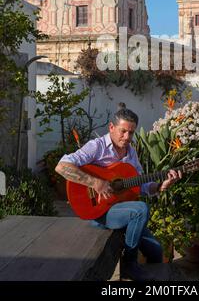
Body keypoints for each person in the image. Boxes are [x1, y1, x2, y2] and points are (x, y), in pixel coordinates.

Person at [55, 105, 182, 281]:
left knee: (156, 251)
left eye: (131, 133)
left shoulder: (131, 152)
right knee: (141, 209)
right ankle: (130, 265)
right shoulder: (96, 147)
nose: (127, 137)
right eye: (123, 131)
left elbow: (141, 186)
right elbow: (62, 166)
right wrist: (95, 182)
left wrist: (161, 186)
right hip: (99, 211)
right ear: (111, 127)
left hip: (122, 210)